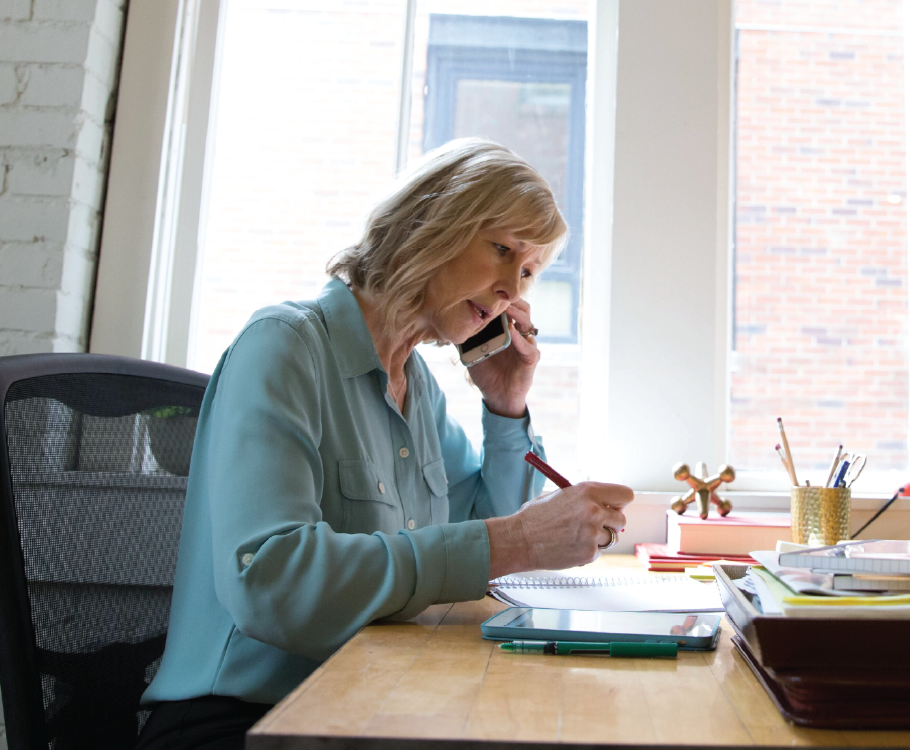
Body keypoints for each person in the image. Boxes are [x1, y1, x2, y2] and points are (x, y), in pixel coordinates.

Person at [135, 139, 634, 749]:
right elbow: (273, 584)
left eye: (528, 272)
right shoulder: (284, 346)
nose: (511, 288)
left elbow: (482, 536)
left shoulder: (415, 385)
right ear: (430, 224)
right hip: (240, 719)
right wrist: (518, 539)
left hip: (365, 699)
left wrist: (506, 406)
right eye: (502, 250)